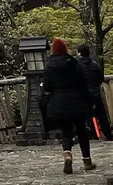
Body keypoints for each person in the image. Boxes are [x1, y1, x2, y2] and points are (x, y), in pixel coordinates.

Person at [42, 38, 96, 174]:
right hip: (77, 101)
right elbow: (82, 84)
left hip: (59, 103)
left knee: (66, 131)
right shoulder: (74, 63)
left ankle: (67, 155)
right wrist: (89, 100)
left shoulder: (49, 65)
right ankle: (87, 160)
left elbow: (47, 86)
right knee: (81, 130)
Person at [76, 44, 113, 141]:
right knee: (101, 114)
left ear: (79, 53)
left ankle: (93, 134)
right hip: (96, 92)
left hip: (83, 94)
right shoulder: (95, 65)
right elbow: (100, 79)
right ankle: (108, 134)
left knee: (87, 115)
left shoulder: (77, 66)